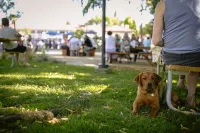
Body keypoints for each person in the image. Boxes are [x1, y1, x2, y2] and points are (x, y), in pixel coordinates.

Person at [152, 0, 200, 107]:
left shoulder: (162, 4)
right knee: (194, 64)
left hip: (172, 56)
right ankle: (191, 98)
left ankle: (161, 92)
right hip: (196, 57)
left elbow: (156, 41)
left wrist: (170, 43)